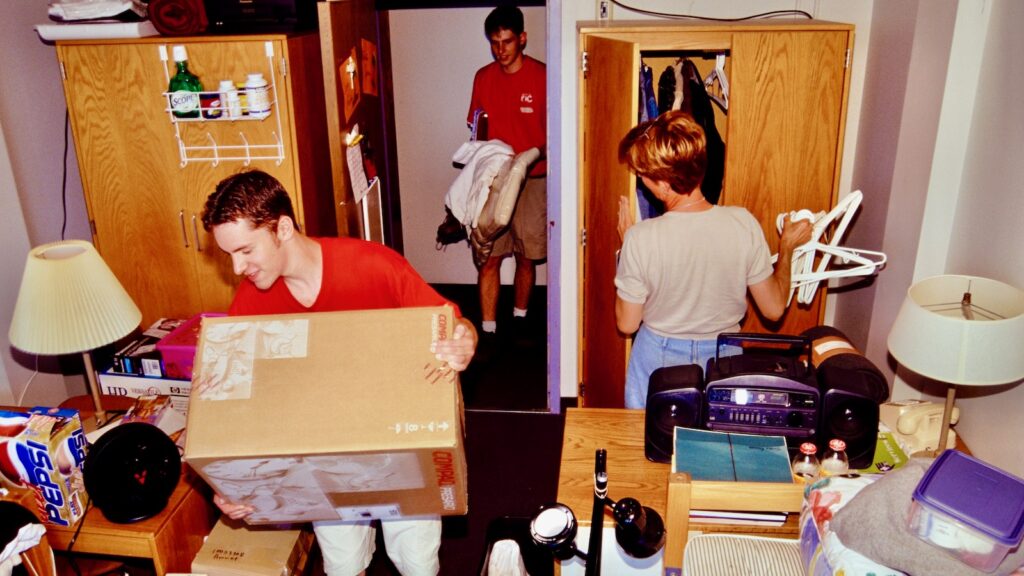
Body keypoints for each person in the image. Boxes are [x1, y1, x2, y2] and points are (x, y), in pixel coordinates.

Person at [200, 169, 477, 576]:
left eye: (245, 250)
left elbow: (451, 321)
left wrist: (466, 339)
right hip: (323, 450)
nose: (238, 267)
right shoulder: (251, 302)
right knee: (343, 565)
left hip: (396, 436)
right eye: (229, 256)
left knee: (416, 561)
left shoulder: (374, 265)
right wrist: (226, 486)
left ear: (282, 228)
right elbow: (228, 403)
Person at [615, 111, 812, 409]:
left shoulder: (640, 238)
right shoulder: (742, 222)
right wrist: (787, 250)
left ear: (666, 184)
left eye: (643, 174)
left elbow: (627, 323)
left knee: (649, 445)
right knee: (715, 449)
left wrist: (627, 249)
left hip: (658, 357)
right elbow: (773, 309)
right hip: (724, 357)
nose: (641, 180)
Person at [467, 5, 546, 346]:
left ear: (522, 39)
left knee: (525, 255)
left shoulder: (542, 76)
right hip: (496, 180)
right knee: (490, 256)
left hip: (533, 178)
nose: (500, 50)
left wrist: (532, 155)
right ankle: (487, 330)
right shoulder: (483, 77)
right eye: (494, 43)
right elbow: (476, 128)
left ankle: (520, 319)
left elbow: (555, 132)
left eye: (507, 41)